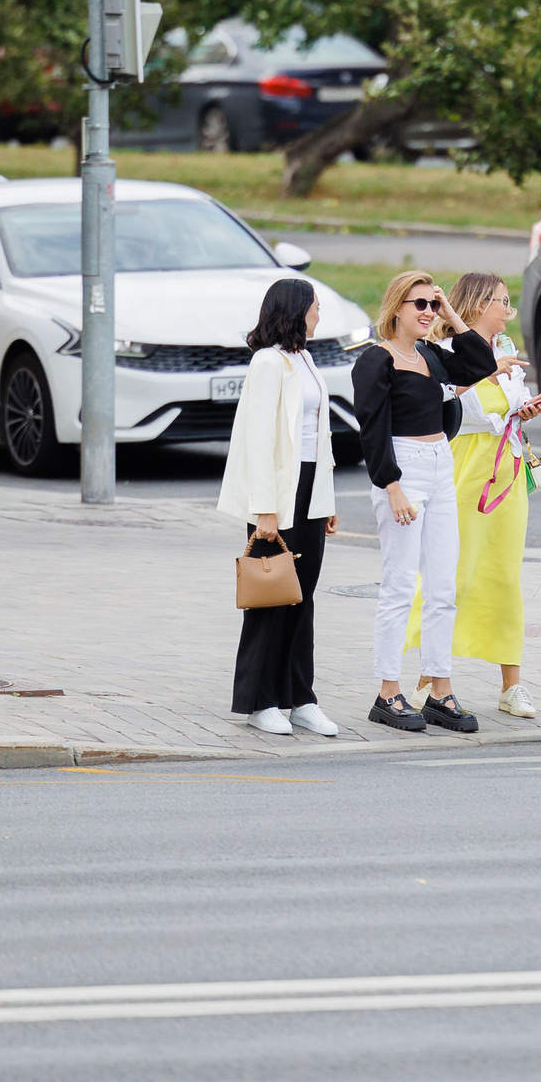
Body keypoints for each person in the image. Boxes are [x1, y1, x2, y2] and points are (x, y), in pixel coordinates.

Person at [353, 270, 497, 734]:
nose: (427, 312)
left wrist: (452, 313)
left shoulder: (432, 355)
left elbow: (480, 363)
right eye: (419, 304)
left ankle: (441, 689)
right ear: (396, 308)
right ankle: (387, 691)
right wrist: (391, 485)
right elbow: (372, 429)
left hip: (440, 465)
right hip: (404, 468)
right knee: (399, 585)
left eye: (432, 304)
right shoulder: (377, 361)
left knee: (442, 587)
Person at [405, 272, 541, 717]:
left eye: (509, 302)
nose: (508, 310)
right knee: (455, 574)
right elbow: (451, 412)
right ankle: (428, 677)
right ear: (477, 303)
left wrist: (521, 410)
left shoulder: (505, 352)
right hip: (466, 469)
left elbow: (510, 407)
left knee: (503, 576)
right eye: (501, 302)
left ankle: (512, 685)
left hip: (506, 469)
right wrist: (502, 407)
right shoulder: (449, 353)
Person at [214, 278, 340, 738]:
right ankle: (260, 701)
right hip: (277, 497)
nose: (319, 316)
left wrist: (325, 500)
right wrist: (264, 509)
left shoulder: (303, 358)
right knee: (271, 597)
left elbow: (317, 435)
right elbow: (259, 440)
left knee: (302, 597)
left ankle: (301, 698)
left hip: (309, 490)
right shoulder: (267, 363)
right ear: (296, 310)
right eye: (315, 308)